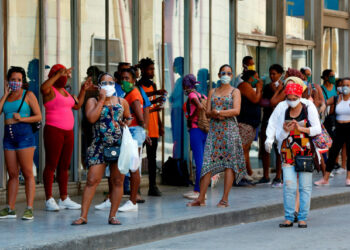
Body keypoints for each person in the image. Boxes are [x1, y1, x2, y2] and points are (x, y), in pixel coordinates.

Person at [72, 73, 131, 225]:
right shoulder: (92, 100)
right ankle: (83, 216)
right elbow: (91, 118)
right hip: (99, 145)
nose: (108, 85)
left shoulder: (122, 101)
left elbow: (128, 117)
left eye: (111, 83)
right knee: (92, 179)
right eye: (104, 83)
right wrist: (102, 99)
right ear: (99, 86)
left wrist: (125, 123)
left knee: (118, 180)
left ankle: (112, 216)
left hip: (118, 146)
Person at [187, 64, 246, 207]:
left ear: (231, 76)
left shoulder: (235, 91)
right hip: (214, 131)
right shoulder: (212, 91)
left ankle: (224, 199)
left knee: (229, 164)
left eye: (229, 73)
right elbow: (207, 112)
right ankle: (201, 197)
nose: (226, 75)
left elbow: (236, 110)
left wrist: (219, 113)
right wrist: (213, 114)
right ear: (219, 75)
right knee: (207, 163)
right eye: (223, 72)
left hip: (229, 131)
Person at [41, 64, 92, 211]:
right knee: (51, 165)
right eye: (64, 74)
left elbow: (77, 105)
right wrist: (58, 74)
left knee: (65, 166)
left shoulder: (65, 91)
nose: (66, 77)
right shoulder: (49, 90)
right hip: (54, 131)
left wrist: (83, 90)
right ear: (55, 75)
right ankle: (49, 198)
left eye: (66, 74)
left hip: (68, 132)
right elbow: (43, 88)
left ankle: (64, 198)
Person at [270, 80, 321, 228]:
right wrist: (285, 130)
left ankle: (303, 217)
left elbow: (317, 129)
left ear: (299, 96)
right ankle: (289, 217)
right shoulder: (283, 109)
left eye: (294, 98)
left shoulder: (307, 108)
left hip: (304, 151)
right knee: (289, 185)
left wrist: (300, 128)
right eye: (289, 99)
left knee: (305, 186)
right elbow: (279, 137)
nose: (292, 101)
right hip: (287, 152)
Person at [0, 67, 42, 220]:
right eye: (13, 79)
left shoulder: (28, 95)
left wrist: (22, 119)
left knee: (28, 173)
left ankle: (29, 208)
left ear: (23, 81)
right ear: (8, 81)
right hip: (9, 136)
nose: (16, 82)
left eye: (18, 80)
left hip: (24, 134)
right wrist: (5, 95)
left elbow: (39, 116)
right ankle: (10, 208)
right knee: (12, 174)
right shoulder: (7, 96)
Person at [118, 68, 146, 212]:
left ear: (134, 80)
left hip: (134, 133)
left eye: (127, 78)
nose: (124, 81)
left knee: (133, 167)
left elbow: (140, 117)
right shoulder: (129, 93)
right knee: (130, 166)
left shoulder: (133, 94)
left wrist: (143, 131)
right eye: (122, 78)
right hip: (134, 133)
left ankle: (133, 200)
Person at [137, 57, 167, 196]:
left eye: (153, 69)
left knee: (152, 158)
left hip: (153, 126)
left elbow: (153, 106)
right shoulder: (138, 85)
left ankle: (152, 186)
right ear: (142, 70)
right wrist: (156, 94)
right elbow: (143, 98)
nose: (152, 71)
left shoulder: (153, 85)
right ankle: (135, 186)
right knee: (136, 158)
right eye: (150, 69)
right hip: (141, 127)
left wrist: (160, 124)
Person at [315, 78, 350, 186]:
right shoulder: (336, 98)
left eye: (348, 85)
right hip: (339, 128)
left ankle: (348, 177)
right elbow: (324, 102)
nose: (345, 87)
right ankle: (325, 178)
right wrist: (323, 105)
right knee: (333, 153)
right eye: (343, 85)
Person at [257, 64, 284, 187]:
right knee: (265, 149)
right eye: (271, 74)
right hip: (268, 120)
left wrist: (276, 92)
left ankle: (278, 176)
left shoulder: (284, 87)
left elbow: (278, 103)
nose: (272, 76)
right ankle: (266, 175)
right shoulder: (267, 87)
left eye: (274, 74)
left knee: (278, 150)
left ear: (280, 74)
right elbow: (264, 102)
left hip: (279, 122)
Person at [182, 74, 208, 200]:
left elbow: (199, 106)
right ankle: (201, 189)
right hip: (204, 130)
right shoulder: (203, 95)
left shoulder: (192, 95)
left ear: (186, 85)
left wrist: (192, 119)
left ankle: (198, 191)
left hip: (196, 129)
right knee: (202, 160)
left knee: (199, 162)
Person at [237, 70, 262, 184]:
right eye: (256, 77)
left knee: (246, 148)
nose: (258, 79)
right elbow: (255, 99)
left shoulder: (249, 87)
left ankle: (248, 172)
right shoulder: (244, 85)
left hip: (251, 123)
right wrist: (259, 87)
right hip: (244, 122)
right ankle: (240, 175)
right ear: (251, 78)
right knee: (242, 148)